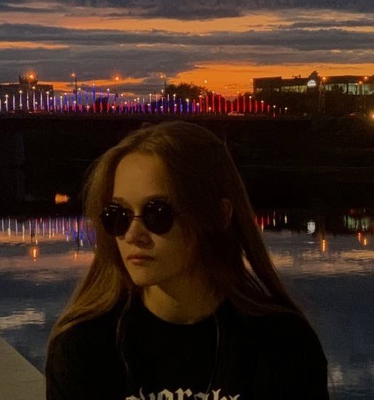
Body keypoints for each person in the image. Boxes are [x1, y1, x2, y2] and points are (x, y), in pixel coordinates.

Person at [46, 121, 329, 400]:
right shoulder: (84, 346)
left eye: (157, 213)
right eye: (117, 215)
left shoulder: (282, 345)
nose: (132, 235)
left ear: (219, 215)